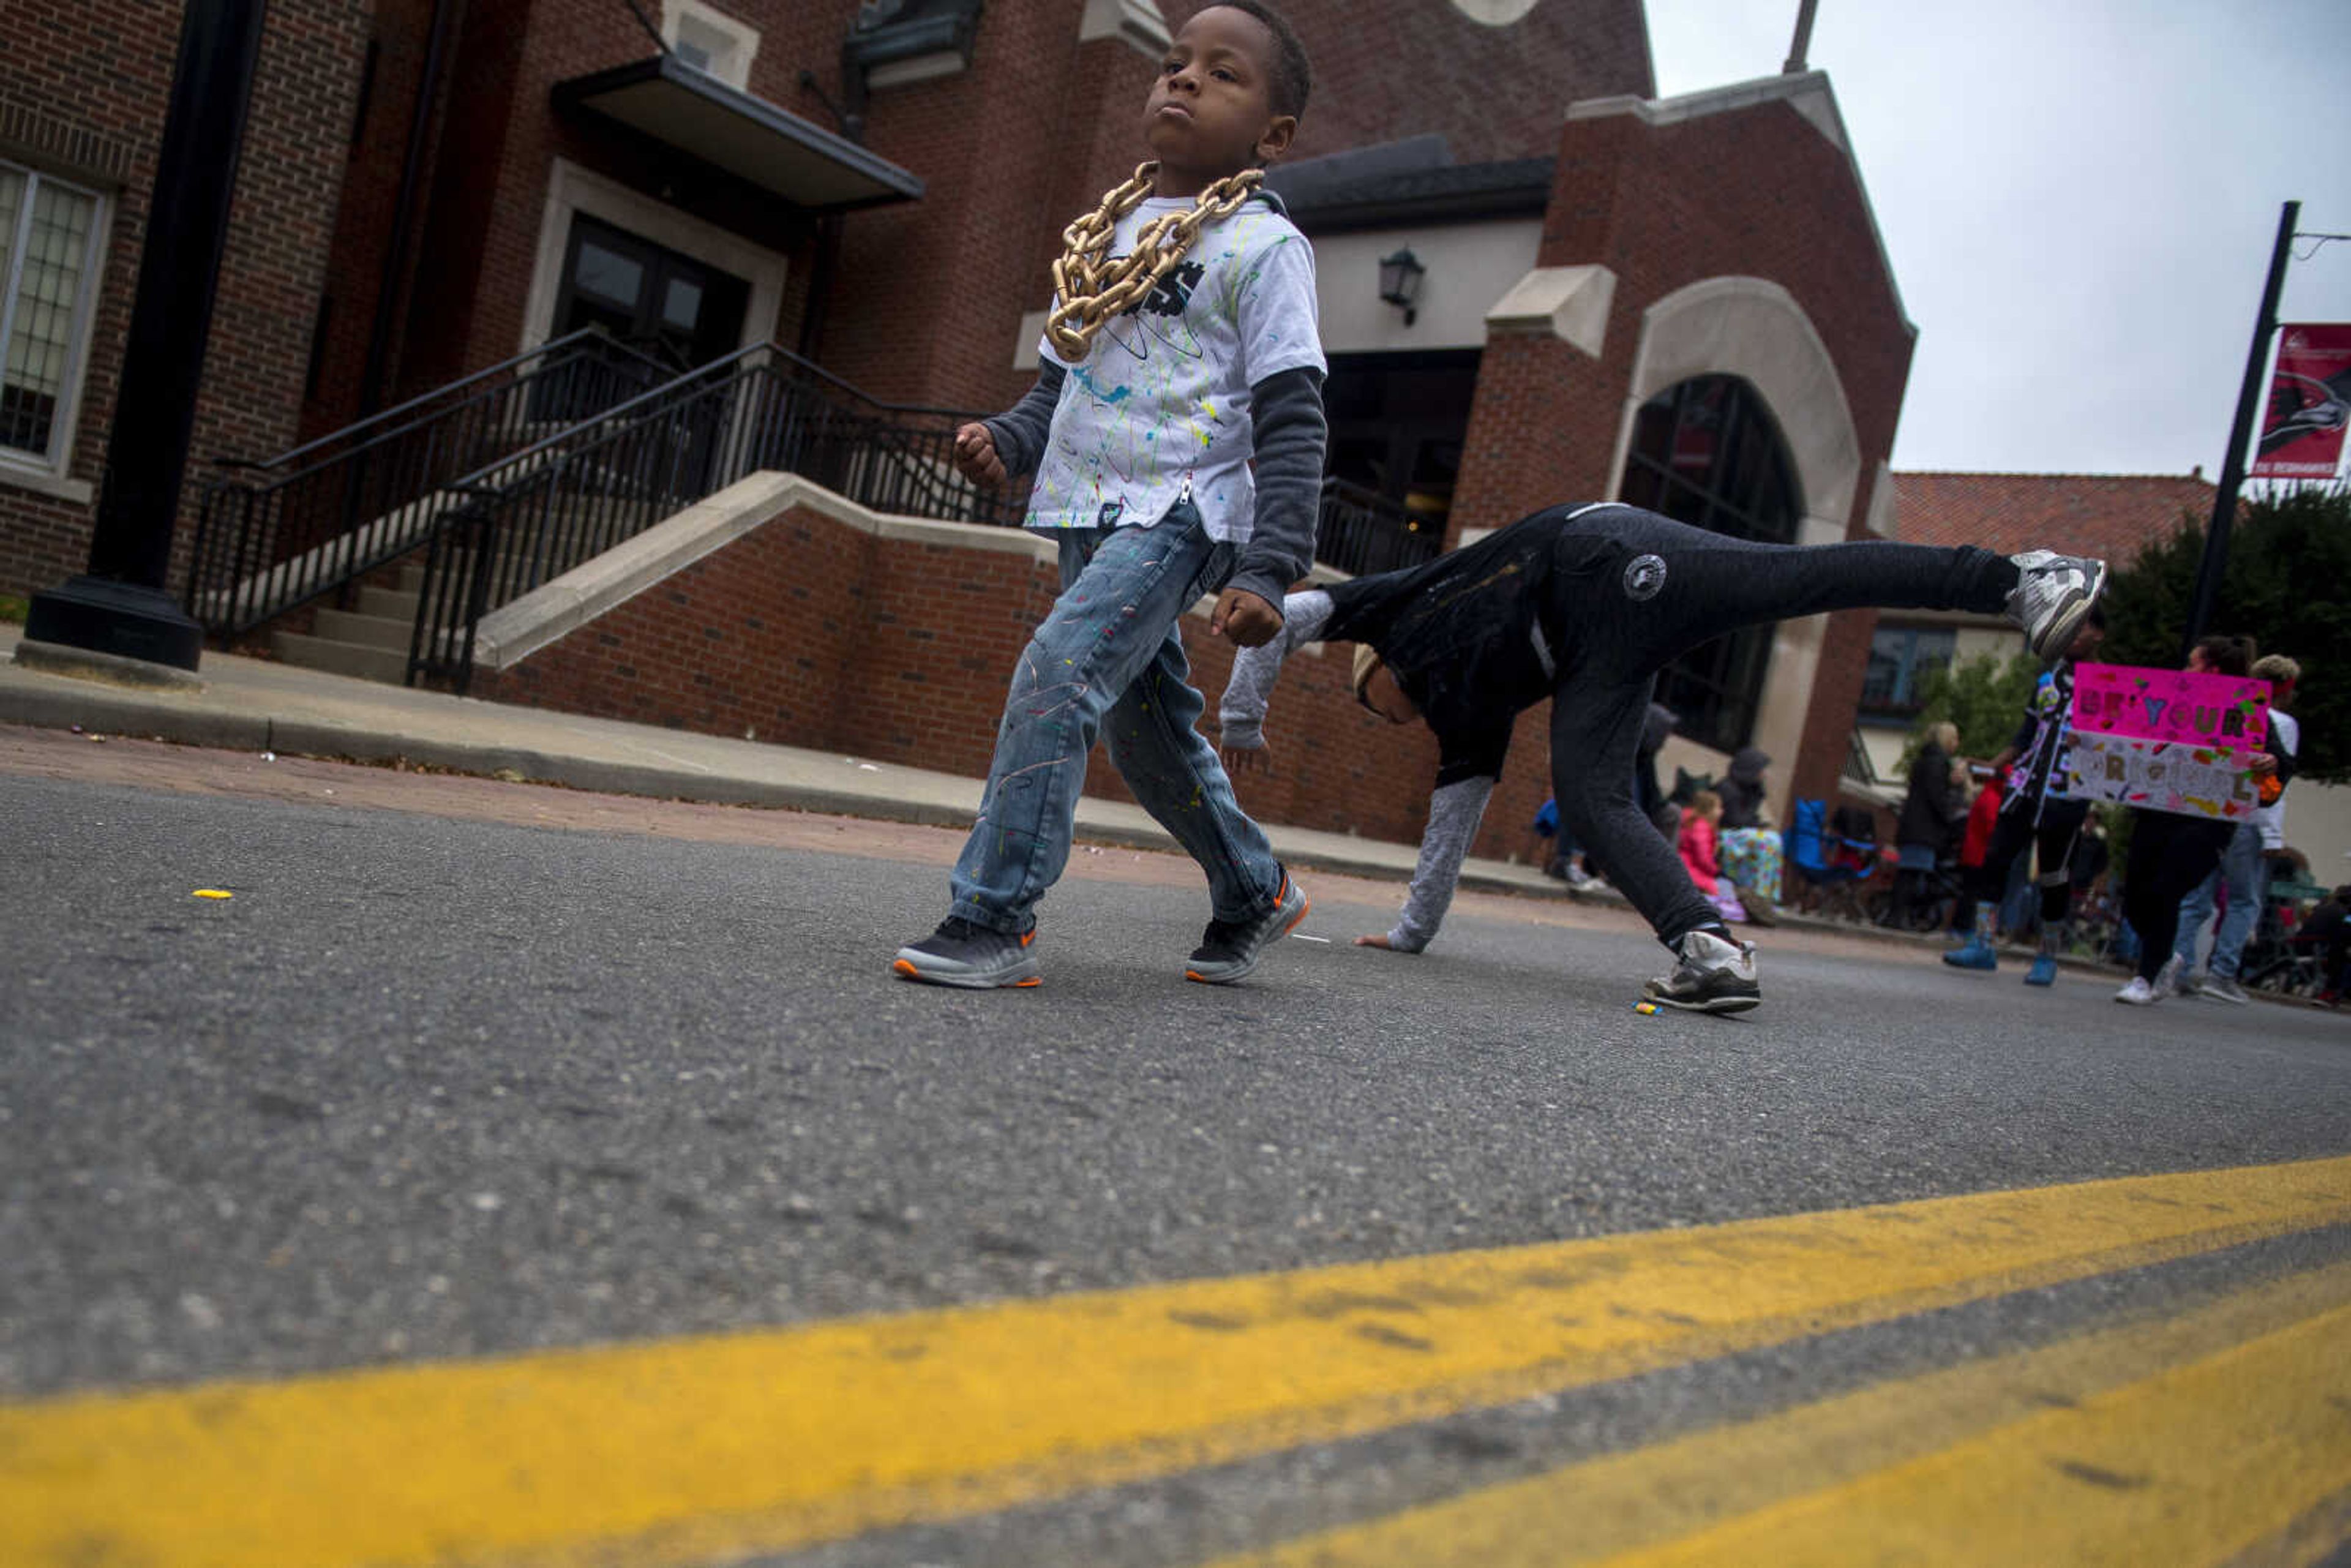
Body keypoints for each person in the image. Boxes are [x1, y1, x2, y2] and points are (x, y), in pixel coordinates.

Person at [1216, 498, 2108, 1013]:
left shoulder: (1395, 608)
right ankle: (1710, 949)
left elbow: (1281, 618)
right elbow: (1449, 833)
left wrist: (1245, 719)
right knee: (1591, 797)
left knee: (1802, 578)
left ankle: (2018, 577)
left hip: (1600, 558)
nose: (1382, 715)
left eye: (1371, 702)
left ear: (1375, 672)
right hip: (1604, 655)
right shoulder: (1468, 725)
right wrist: (1411, 934)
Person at [892, 2, 1323, 989]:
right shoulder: (1109, 227)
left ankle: (993, 916)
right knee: (1148, 729)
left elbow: (1295, 417)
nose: (1182, 79)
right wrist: (1006, 439)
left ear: (1275, 134)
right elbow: (1060, 380)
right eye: (1173, 63)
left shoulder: (1264, 249)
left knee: (1056, 673)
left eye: (1221, 73)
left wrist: (1270, 564)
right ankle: (1254, 888)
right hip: (1088, 500)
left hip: (1183, 507)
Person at [2114, 636, 2293, 1005]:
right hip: (2156, 813)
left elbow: (2277, 768)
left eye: (2192, 663)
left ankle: (2146, 978)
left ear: (2212, 670)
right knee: (2135, 897)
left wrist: (2269, 764)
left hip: (2206, 822)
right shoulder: (2169, 702)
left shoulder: (2248, 711)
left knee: (2167, 891)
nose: (2185, 670)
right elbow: (2127, 736)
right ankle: (2165, 957)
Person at [1943, 607, 2108, 986]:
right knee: (1996, 860)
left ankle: (2047, 955)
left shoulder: (2108, 686)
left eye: (2078, 629)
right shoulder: (2048, 680)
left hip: (2067, 794)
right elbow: (2025, 735)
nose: (2069, 637)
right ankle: (1982, 943)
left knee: (2053, 876)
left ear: (2098, 634)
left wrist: (2093, 743)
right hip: (2025, 786)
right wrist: (1990, 765)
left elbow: (2119, 749)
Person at [2162, 652, 2302, 1003]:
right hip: (2251, 819)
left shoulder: (2230, 710)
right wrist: (2273, 834)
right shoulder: (2283, 724)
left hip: (2215, 813)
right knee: (2244, 900)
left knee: (2196, 896)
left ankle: (2178, 965)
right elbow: (2274, 784)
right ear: (2286, 689)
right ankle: (2222, 973)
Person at [1891, 720, 1967, 928]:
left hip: (1915, 826)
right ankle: (1899, 916)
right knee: (1912, 874)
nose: (1957, 743)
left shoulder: (1925, 761)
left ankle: (1898, 915)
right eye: (1955, 738)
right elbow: (1938, 798)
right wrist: (1954, 787)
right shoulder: (1938, 764)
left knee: (1908, 873)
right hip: (1924, 829)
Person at [1713, 746, 1782, 924]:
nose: (1764, 775)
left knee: (1774, 841)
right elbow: (1735, 820)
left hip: (1741, 833)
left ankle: (1764, 896)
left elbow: (1750, 818)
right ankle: (1755, 893)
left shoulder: (1751, 789)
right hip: (1726, 835)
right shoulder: (1727, 788)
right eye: (1761, 770)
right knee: (1766, 842)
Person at [1676, 789, 1749, 925]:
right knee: (1722, 887)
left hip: (1688, 867)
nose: (1721, 811)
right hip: (1692, 870)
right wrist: (1716, 871)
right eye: (1719, 807)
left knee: (1722, 886)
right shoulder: (1701, 827)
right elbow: (1703, 858)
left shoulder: (1694, 823)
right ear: (1708, 809)